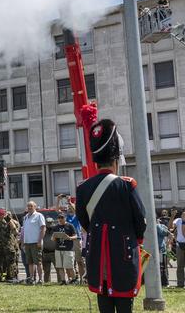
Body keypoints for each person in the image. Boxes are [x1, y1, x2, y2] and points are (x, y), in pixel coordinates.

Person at [76, 119, 146, 313]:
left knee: (104, 305)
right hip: (123, 255)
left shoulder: (83, 188)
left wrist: (97, 232)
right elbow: (140, 219)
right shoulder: (127, 185)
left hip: (98, 257)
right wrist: (136, 239)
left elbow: (83, 220)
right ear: (116, 160)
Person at [0, 208, 19, 282]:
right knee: (1, 265)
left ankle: (12, 277)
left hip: (8, 248)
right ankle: (2, 278)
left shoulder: (9, 223)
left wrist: (9, 220)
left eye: (0, 214)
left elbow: (15, 231)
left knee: (10, 264)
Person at [21, 201, 46, 284]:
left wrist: (39, 240)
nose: (29, 207)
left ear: (35, 207)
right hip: (27, 243)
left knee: (38, 262)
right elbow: (24, 231)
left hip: (36, 242)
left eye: (31, 206)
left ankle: (40, 279)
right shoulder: (25, 217)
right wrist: (23, 242)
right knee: (30, 262)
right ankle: (31, 278)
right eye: (28, 206)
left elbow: (43, 228)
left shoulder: (39, 216)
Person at [51, 213, 77, 285]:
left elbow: (75, 236)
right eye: (59, 218)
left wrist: (69, 238)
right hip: (58, 249)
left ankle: (74, 279)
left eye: (62, 217)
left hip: (68, 249)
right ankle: (63, 280)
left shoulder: (70, 226)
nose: (60, 219)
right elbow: (53, 238)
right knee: (60, 266)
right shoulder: (56, 227)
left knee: (69, 266)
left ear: (65, 218)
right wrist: (54, 237)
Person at [66, 203, 86, 283]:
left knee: (79, 261)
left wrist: (70, 202)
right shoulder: (67, 217)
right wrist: (58, 200)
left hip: (77, 240)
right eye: (68, 208)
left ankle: (82, 279)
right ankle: (73, 279)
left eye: (71, 208)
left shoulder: (77, 217)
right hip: (68, 239)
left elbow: (77, 211)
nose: (69, 209)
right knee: (71, 262)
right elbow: (57, 210)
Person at [156, 218, 172, 287]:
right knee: (162, 267)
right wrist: (159, 225)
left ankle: (164, 283)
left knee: (162, 267)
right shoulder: (158, 226)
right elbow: (165, 233)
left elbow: (166, 233)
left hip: (160, 250)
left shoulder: (158, 226)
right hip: (160, 250)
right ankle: (164, 283)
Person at [41, 217, 56, 283]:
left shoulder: (56, 229)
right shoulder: (42, 230)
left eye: (50, 223)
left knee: (58, 269)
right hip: (45, 253)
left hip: (54, 252)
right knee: (46, 271)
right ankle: (47, 282)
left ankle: (60, 281)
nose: (49, 224)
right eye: (48, 223)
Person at [173, 210, 185, 288]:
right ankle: (180, 284)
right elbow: (170, 227)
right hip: (180, 244)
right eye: (183, 214)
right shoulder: (178, 220)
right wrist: (172, 216)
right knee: (180, 266)